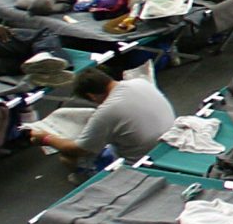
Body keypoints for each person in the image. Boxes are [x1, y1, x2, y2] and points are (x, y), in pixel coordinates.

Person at [31, 66, 177, 168]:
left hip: (141, 160)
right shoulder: (140, 82)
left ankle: (87, 176)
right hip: (169, 143)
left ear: (92, 96)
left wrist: (46, 138)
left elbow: (78, 149)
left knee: (67, 157)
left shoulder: (107, 112)